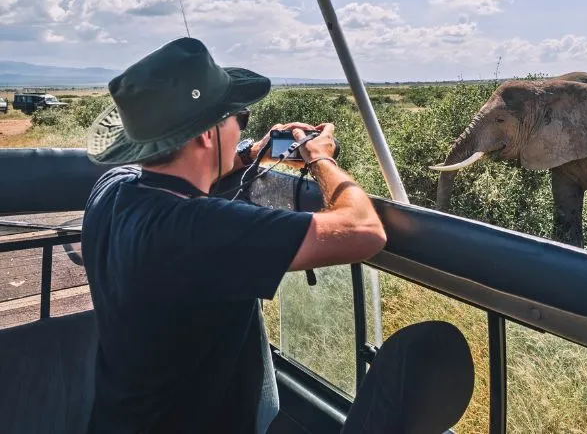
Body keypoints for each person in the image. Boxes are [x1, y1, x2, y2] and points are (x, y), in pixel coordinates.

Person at [81, 37, 474, 434]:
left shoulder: (114, 190)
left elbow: (191, 175)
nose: (241, 130)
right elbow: (363, 231)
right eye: (240, 118)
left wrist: (261, 151)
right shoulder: (200, 231)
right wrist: (320, 157)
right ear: (206, 135)